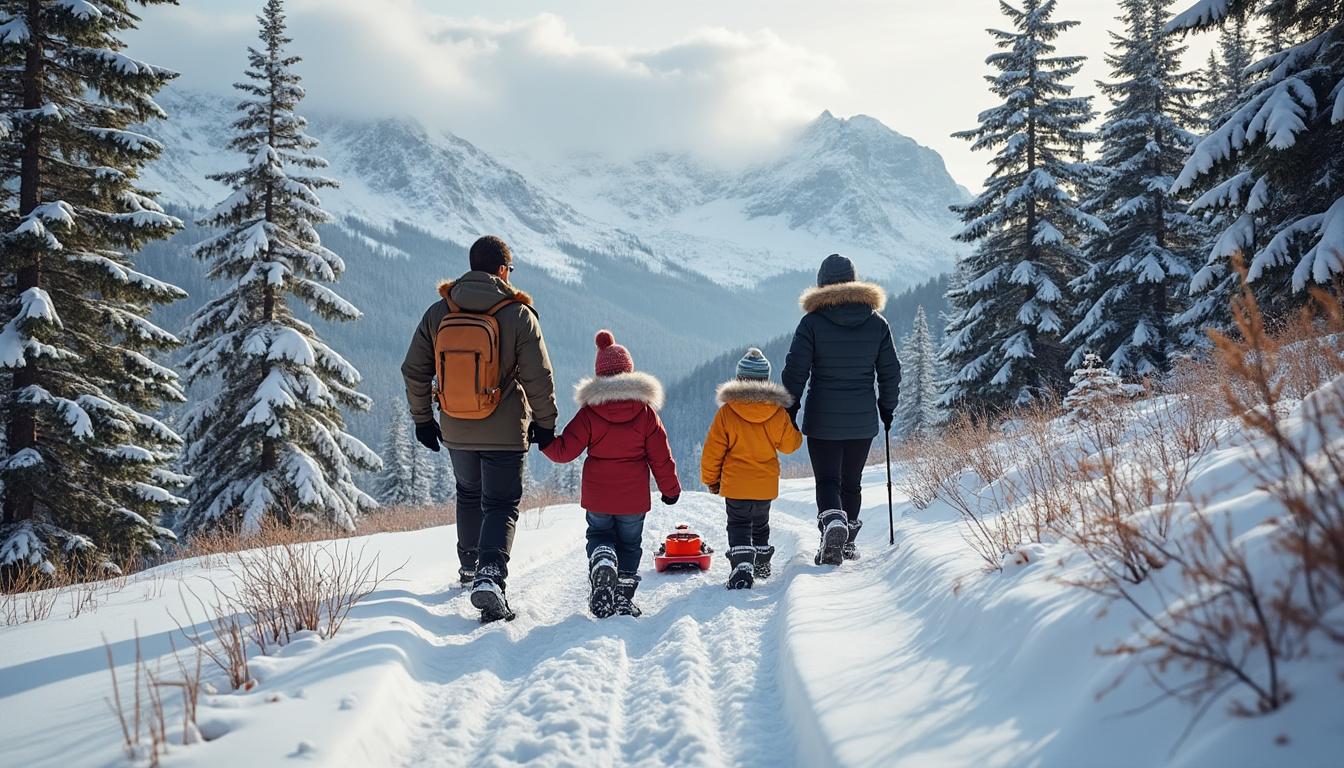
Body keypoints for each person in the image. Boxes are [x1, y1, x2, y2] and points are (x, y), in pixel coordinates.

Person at [401, 235, 558, 622]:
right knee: (501, 504)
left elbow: (414, 369)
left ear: (472, 266)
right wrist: (546, 423)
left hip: (456, 426)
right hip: (504, 430)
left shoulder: (440, 311)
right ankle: (490, 576)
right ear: (503, 270)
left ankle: (470, 565)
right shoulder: (519, 314)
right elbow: (539, 377)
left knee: (469, 493)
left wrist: (423, 419)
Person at [543, 330, 680, 619]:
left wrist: (544, 441)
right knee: (630, 544)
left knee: (599, 534)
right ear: (629, 371)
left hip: (598, 496)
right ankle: (622, 597)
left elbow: (565, 451)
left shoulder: (590, 412)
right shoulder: (645, 412)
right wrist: (670, 489)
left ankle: (602, 558)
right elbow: (661, 456)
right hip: (633, 499)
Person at [781, 254, 900, 566]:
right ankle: (846, 541)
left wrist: (790, 408)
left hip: (822, 420)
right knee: (852, 481)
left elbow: (795, 371)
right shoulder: (877, 323)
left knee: (828, 481)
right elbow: (890, 372)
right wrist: (887, 407)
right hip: (862, 421)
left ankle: (833, 524)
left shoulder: (812, 323)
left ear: (822, 284)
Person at [700, 348, 803, 589]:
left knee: (737, 524)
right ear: (765, 380)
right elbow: (790, 446)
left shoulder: (727, 413)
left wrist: (711, 480)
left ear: (739, 379)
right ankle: (761, 563)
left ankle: (742, 564)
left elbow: (713, 451)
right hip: (764, 485)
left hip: (736, 485)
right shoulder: (776, 412)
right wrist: (791, 422)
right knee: (760, 523)